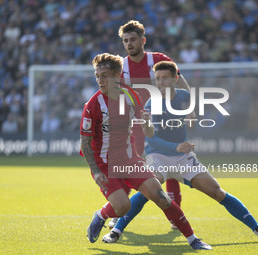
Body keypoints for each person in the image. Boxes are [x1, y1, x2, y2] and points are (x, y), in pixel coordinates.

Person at [102, 61, 258, 243]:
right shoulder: (153, 103)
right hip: (158, 155)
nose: (160, 83)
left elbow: (190, 106)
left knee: (218, 193)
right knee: (149, 191)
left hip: (183, 157)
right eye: (157, 79)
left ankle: (255, 227)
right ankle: (116, 231)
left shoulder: (184, 96)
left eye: (165, 78)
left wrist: (191, 113)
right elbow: (152, 138)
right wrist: (175, 146)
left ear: (175, 79)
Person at [81, 53, 211, 250]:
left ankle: (194, 240)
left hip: (130, 159)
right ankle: (100, 216)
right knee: (123, 207)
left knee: (161, 197)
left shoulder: (131, 96)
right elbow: (85, 141)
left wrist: (148, 124)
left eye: (105, 75)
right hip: (105, 165)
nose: (100, 80)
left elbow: (148, 131)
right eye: (98, 76)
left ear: (117, 76)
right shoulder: (93, 105)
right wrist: (96, 171)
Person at [109, 19, 189, 229]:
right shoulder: (121, 66)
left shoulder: (158, 60)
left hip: (162, 123)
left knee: (170, 167)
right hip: (134, 126)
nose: (129, 43)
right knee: (127, 168)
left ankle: (174, 215)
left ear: (142, 40)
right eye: (125, 40)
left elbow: (180, 81)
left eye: (133, 39)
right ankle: (120, 212)